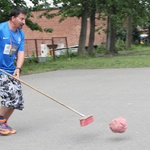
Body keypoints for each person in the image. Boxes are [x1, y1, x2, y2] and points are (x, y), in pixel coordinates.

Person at [0, 8, 27, 135]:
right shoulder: (1, 29)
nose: (24, 22)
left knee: (17, 100)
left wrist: (18, 68)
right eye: (21, 19)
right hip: (1, 71)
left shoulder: (20, 34)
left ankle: (3, 123)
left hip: (12, 70)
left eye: (25, 19)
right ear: (13, 18)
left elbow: (20, 53)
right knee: (9, 96)